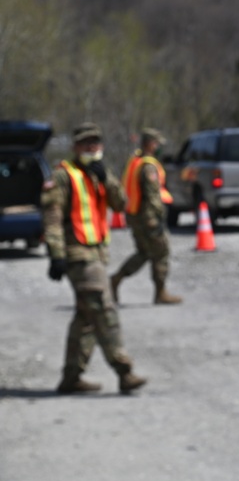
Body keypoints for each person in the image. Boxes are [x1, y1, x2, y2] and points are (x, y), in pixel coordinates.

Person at [42, 122, 148, 395]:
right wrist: (56, 255)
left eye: (96, 142)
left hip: (98, 253)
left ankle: (71, 377)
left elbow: (121, 205)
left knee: (86, 317)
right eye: (86, 142)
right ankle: (124, 371)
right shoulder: (64, 175)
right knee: (103, 307)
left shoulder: (101, 173)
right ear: (75, 146)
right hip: (78, 255)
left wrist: (107, 180)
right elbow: (53, 217)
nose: (92, 147)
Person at [111, 127, 182, 305]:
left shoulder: (135, 160)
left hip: (134, 215)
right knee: (161, 252)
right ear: (150, 143)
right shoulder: (148, 166)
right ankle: (160, 292)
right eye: (157, 143)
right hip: (147, 217)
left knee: (143, 253)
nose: (159, 147)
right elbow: (152, 196)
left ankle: (116, 279)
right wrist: (158, 218)